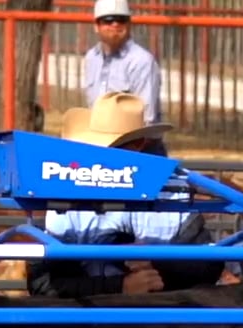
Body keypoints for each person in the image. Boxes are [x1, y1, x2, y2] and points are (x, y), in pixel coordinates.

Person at [26, 92, 221, 298]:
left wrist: (157, 262)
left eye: (109, 149)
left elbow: (207, 268)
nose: (97, 160)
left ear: (137, 146)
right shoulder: (65, 202)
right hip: (91, 320)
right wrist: (120, 286)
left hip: (158, 318)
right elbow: (43, 283)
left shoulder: (172, 195)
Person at [82, 0, 164, 127]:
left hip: (137, 143)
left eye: (122, 20)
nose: (115, 24)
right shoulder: (92, 58)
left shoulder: (141, 61)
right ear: (96, 26)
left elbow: (146, 119)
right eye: (108, 20)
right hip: (101, 138)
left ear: (129, 24)